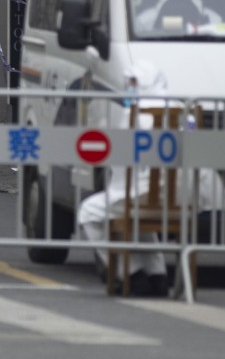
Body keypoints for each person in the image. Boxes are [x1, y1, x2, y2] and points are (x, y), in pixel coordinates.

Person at [77, 62, 169, 297]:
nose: (129, 88)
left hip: (145, 191)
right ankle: (158, 276)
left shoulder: (137, 113)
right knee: (139, 213)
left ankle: (130, 273)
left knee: (90, 212)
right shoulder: (179, 107)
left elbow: (121, 157)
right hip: (182, 196)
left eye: (134, 83)